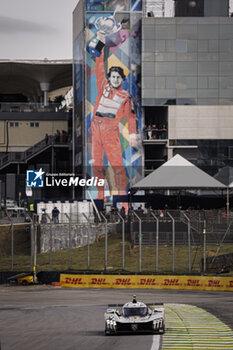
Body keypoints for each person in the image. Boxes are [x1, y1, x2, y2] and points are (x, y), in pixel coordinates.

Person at [89, 33, 138, 200]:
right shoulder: (103, 86)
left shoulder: (125, 96)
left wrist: (132, 134)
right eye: (113, 76)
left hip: (110, 130)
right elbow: (99, 65)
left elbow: (131, 117)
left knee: (118, 167)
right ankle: (100, 198)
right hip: (96, 128)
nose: (115, 79)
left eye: (118, 77)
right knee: (96, 166)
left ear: (122, 79)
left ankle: (123, 202)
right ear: (109, 78)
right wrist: (101, 42)